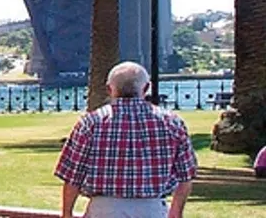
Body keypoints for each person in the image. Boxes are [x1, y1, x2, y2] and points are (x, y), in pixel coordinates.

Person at [54, 61, 197, 218]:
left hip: (103, 209)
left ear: (109, 89)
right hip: (152, 208)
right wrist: (175, 212)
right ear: (146, 88)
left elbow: (73, 176)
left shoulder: (91, 123)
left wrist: (67, 213)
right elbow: (186, 175)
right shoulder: (172, 123)